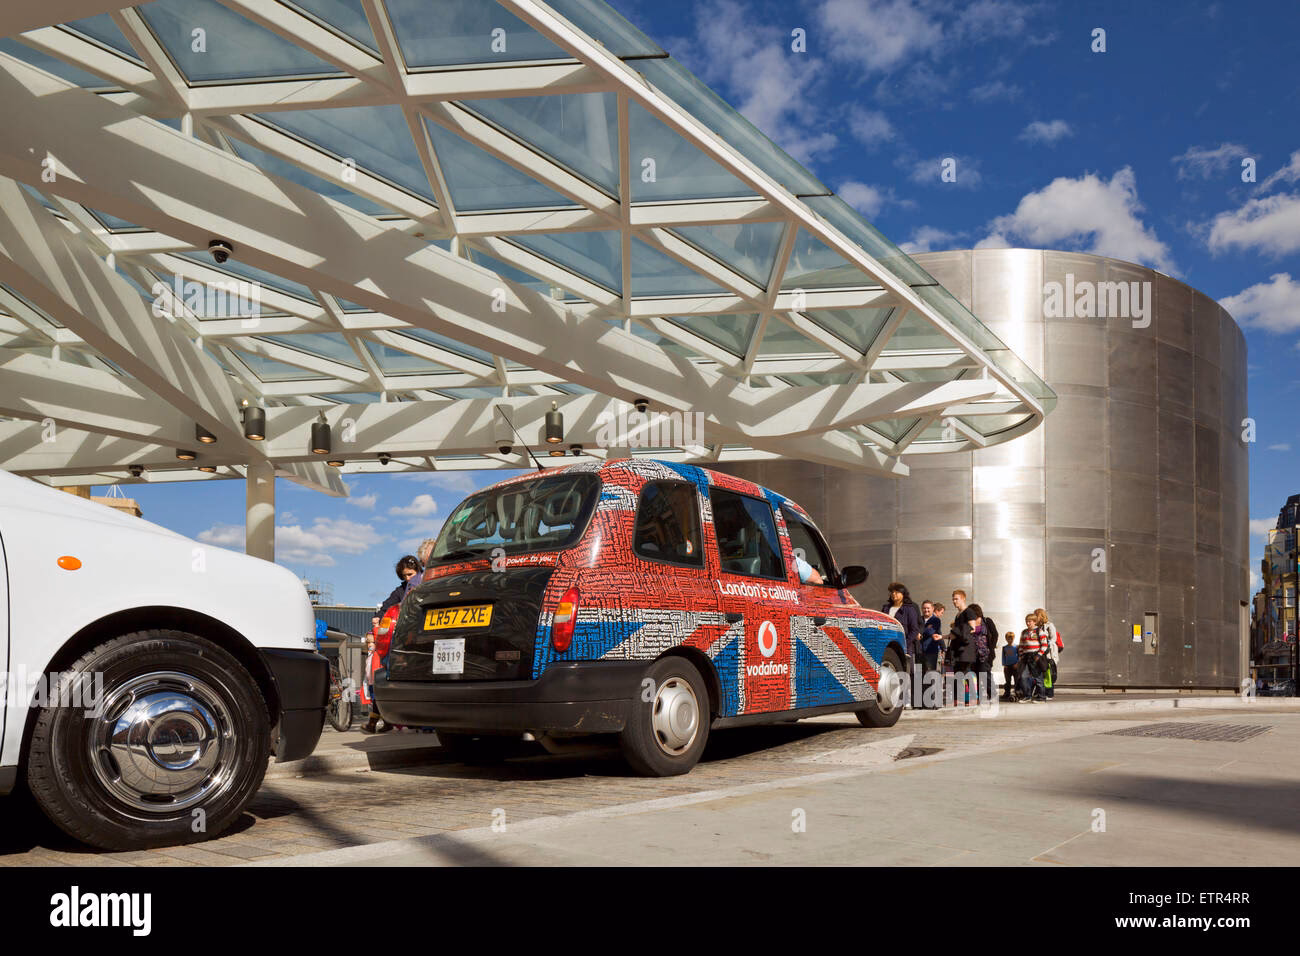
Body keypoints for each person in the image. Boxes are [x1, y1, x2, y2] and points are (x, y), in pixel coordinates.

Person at [363, 555, 422, 734]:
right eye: (404, 575)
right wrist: (379, 616)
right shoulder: (401, 590)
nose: (408, 579)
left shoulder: (422, 587)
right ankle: (389, 719)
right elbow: (386, 606)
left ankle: (394, 719)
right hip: (402, 642)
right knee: (388, 678)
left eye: (410, 574)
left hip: (414, 642)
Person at [882, 583, 921, 708]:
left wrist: (905, 643)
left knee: (905, 674)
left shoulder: (909, 609)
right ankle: (893, 699)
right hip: (888, 646)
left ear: (903, 594)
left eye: (897, 592)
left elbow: (914, 630)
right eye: (892, 592)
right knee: (890, 673)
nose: (894, 595)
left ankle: (907, 700)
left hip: (905, 646)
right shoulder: (886, 608)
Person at [918, 600, 944, 709]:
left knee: (932, 676)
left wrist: (923, 631)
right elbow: (916, 630)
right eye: (924, 608)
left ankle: (935, 702)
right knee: (921, 677)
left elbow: (931, 631)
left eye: (928, 608)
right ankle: (925, 703)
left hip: (931, 651)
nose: (926, 610)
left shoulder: (936, 620)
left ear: (933, 609)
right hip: (919, 651)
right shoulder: (919, 619)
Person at [1018, 616, 1046, 702]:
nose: (1028, 623)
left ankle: (1042, 697)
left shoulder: (1039, 631)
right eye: (1026, 621)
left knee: (1038, 678)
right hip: (1026, 657)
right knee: (1023, 676)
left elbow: (1044, 645)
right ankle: (1027, 696)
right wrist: (1021, 655)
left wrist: (1038, 655)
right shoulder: (1024, 632)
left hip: (1035, 656)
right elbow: (1021, 645)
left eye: (1030, 621)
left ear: (1034, 622)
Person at [1035, 608, 1060, 699]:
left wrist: (1046, 643)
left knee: (1049, 673)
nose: (1034, 617)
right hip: (1041, 653)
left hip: (1049, 653)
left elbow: (1054, 639)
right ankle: (1041, 692)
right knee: (1041, 673)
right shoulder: (1037, 627)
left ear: (1040, 616)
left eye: (1036, 615)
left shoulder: (1050, 625)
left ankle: (1049, 694)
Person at [1001, 631, 1019, 702]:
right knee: (1007, 681)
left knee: (1016, 680)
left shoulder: (1016, 647)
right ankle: (1007, 692)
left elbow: (1019, 656)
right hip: (1007, 667)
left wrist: (1017, 664)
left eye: (1011, 639)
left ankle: (1017, 692)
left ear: (1014, 638)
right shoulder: (1005, 648)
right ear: (1006, 639)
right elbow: (1003, 657)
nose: (1010, 640)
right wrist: (1004, 664)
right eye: (1008, 639)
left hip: (1015, 666)